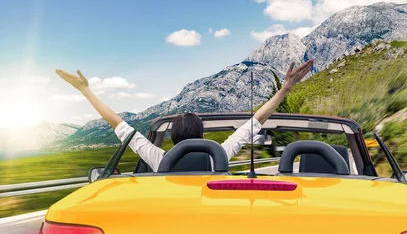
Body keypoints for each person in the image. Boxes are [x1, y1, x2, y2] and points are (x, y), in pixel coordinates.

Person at [55, 59, 314, 172]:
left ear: (173, 138)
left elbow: (118, 124)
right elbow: (256, 121)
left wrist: (86, 90)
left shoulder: (158, 158)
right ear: (202, 136)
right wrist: (284, 90)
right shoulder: (220, 155)